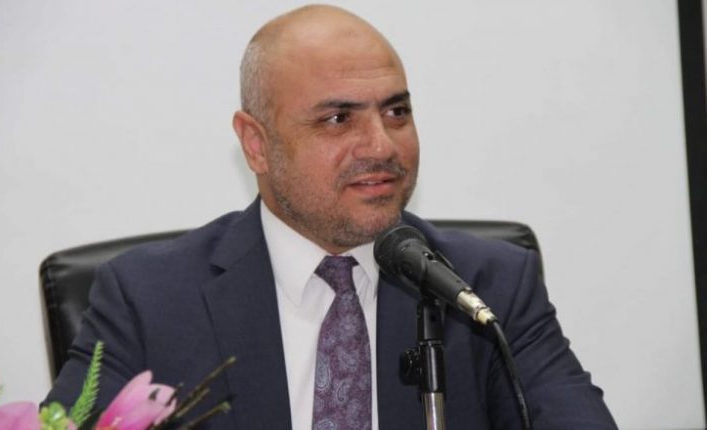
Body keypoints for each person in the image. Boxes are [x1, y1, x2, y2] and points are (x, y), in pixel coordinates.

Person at [46, 5, 617, 429]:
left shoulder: (488, 287)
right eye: (338, 119)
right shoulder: (148, 299)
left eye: (397, 111)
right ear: (256, 145)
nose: (382, 145)